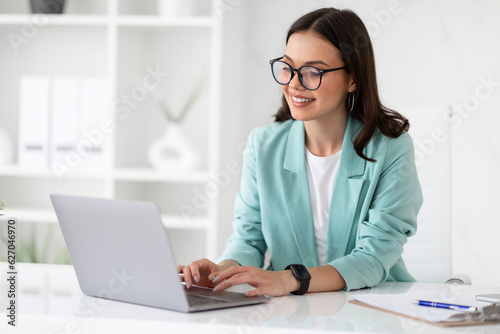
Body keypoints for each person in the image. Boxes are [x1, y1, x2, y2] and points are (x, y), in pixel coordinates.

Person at [178, 7, 423, 297]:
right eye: (288, 67)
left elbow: (373, 257)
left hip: (373, 306)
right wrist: (222, 272)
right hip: (293, 313)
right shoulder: (263, 146)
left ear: (353, 78)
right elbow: (249, 240)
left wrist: (291, 279)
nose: (294, 83)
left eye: (312, 71)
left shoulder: (390, 148)